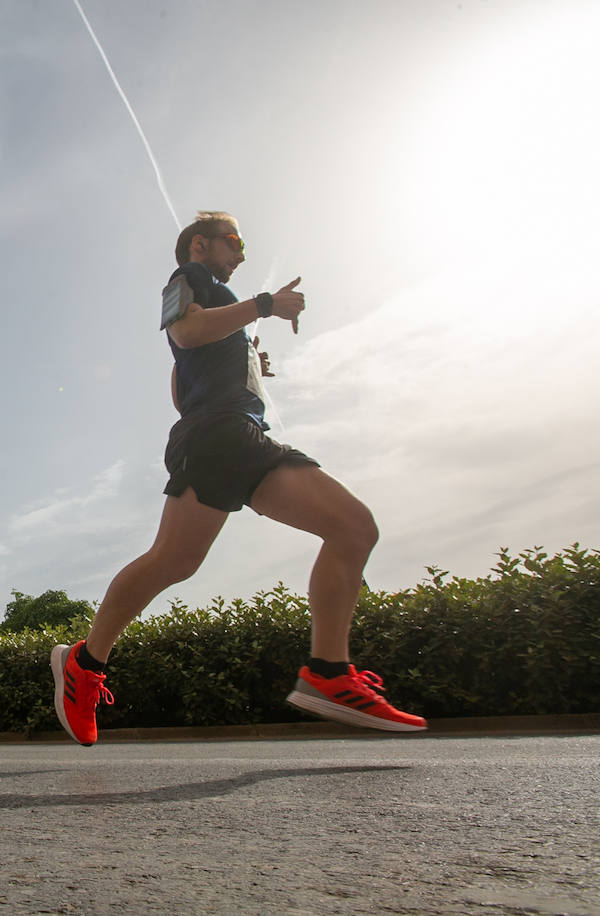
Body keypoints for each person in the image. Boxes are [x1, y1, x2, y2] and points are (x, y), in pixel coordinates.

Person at [52, 211, 426, 746]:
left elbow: (186, 380)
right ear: (199, 245)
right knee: (173, 562)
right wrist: (265, 306)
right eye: (235, 241)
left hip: (243, 435)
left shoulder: (226, 309)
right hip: (215, 438)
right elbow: (184, 332)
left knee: (353, 528)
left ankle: (329, 674)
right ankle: (84, 666)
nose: (243, 254)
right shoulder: (189, 280)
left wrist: (245, 361)